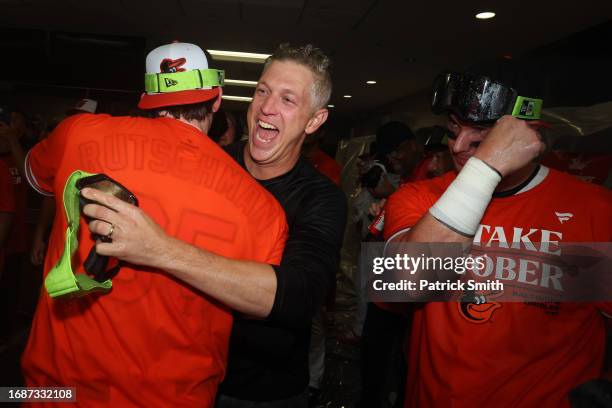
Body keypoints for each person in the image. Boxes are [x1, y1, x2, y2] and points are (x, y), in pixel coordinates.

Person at [20, 41, 288, 407]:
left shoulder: (77, 133)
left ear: (146, 95)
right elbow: (261, 303)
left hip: (54, 391)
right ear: (217, 100)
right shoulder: (264, 209)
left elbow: (34, 177)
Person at [82, 43, 347, 407]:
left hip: (259, 390)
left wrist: (161, 250)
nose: (266, 108)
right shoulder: (208, 160)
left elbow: (298, 296)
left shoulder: (322, 198)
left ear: (315, 121)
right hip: (176, 376)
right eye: (263, 91)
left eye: (288, 100)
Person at [382, 71, 611, 406]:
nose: (458, 147)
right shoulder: (418, 196)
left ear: (529, 136)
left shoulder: (596, 210)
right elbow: (406, 281)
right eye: (452, 131)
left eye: (481, 138)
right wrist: (487, 164)